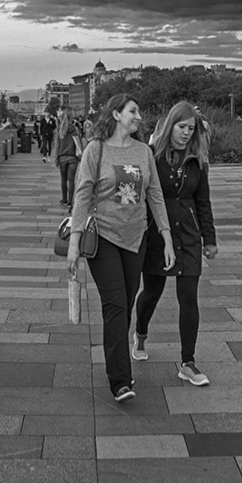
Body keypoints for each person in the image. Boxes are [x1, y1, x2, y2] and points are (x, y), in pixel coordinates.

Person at [68, 94, 175, 402]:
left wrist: (166, 236)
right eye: (132, 111)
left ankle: (119, 366)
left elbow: (154, 195)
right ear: (115, 114)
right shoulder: (95, 150)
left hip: (136, 238)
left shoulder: (144, 151)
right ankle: (120, 380)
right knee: (115, 306)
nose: (138, 116)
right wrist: (75, 242)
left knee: (125, 306)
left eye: (139, 111)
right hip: (103, 238)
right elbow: (82, 195)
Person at [133, 101, 218, 386]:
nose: (185, 133)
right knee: (152, 292)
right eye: (182, 127)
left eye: (191, 129)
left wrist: (210, 239)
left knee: (188, 298)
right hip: (158, 235)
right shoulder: (153, 156)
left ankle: (187, 362)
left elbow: (203, 201)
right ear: (171, 125)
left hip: (189, 236)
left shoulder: (197, 158)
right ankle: (141, 332)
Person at [54, 109, 84, 207]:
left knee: (63, 179)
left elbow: (57, 146)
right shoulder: (74, 129)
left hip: (62, 158)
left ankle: (64, 199)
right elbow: (78, 143)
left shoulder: (59, 130)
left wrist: (56, 158)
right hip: (72, 158)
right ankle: (71, 201)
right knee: (71, 180)